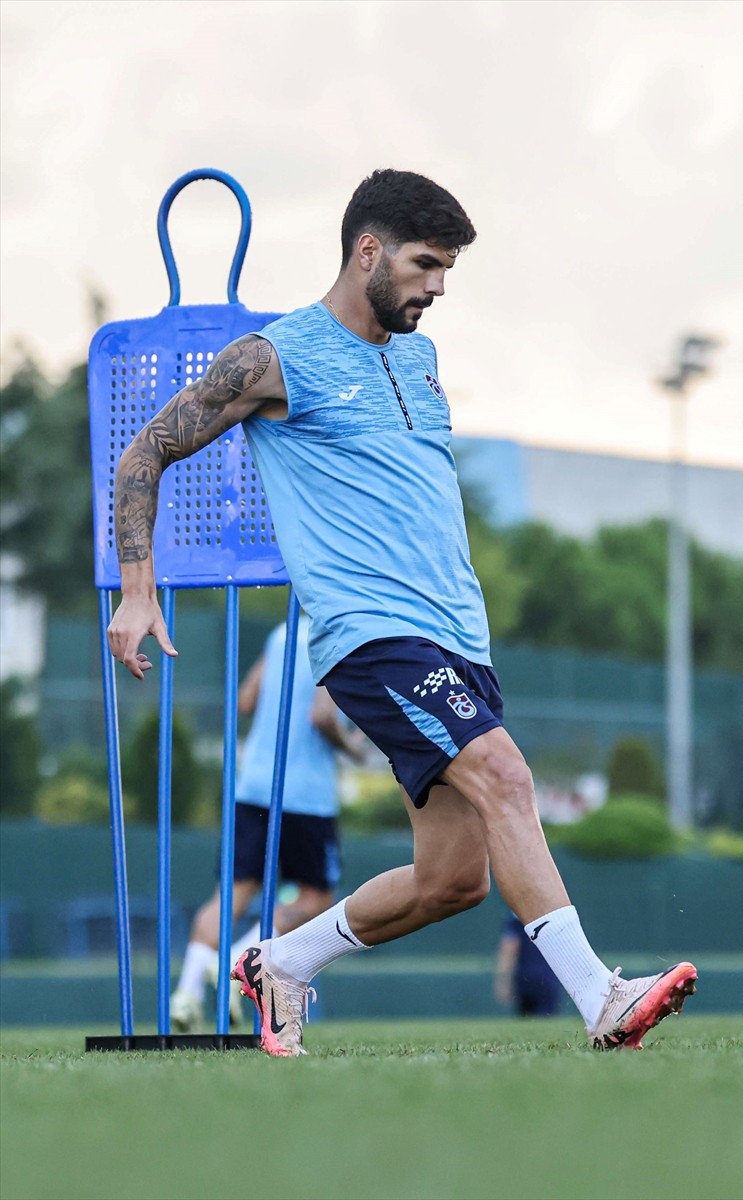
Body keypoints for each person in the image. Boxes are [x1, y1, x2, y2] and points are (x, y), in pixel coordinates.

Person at [108, 168, 698, 1057]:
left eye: (449, 270)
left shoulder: (419, 357)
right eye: (426, 265)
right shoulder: (272, 357)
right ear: (367, 250)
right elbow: (142, 457)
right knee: (507, 777)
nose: (439, 287)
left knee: (451, 880)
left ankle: (283, 964)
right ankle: (602, 998)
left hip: (460, 635)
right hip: (370, 634)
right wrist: (139, 589)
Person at [170, 614, 367, 1032]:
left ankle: (188, 991)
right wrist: (352, 748)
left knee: (232, 892)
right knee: (315, 899)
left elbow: (245, 700)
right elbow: (322, 717)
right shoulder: (339, 630)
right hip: (305, 793)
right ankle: (245, 959)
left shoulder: (282, 632)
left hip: (254, 782)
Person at [494, 911, 563, 1018]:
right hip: (548, 978)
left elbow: (508, 951)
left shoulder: (515, 917)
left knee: (527, 1021)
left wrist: (503, 982)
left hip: (525, 978)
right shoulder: (553, 914)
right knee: (546, 1022)